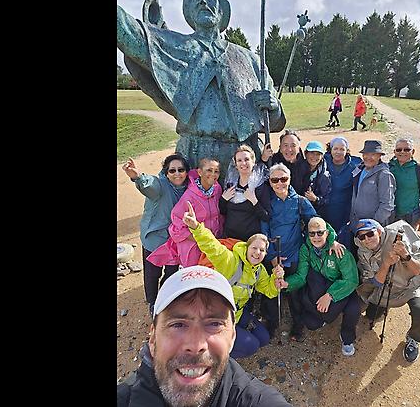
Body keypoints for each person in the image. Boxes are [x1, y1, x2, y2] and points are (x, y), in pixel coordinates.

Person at [117, 0, 287, 180]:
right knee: (194, 207)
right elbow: (127, 32)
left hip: (244, 158)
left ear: (222, 11)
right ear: (189, 12)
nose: (203, 1)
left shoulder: (251, 60)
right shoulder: (174, 46)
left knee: (245, 207)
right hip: (195, 154)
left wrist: (274, 108)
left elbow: (274, 124)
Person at [117, 265, 292, 406]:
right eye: (178, 324)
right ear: (153, 339)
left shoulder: (256, 400)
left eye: (214, 324)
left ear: (232, 337)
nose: (195, 344)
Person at [182, 200, 284, 359]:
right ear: (246, 247)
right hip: (217, 317)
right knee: (253, 345)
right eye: (254, 248)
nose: (257, 253)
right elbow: (212, 247)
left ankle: (231, 337)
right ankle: (214, 353)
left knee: (264, 338)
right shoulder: (231, 261)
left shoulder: (259, 270)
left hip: (237, 313)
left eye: (262, 250)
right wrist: (196, 227)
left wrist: (276, 282)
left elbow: (269, 291)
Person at [259, 163, 345, 341]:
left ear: (289, 179)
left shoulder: (300, 201)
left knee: (295, 293)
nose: (280, 183)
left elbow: (316, 223)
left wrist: (332, 239)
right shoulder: (267, 203)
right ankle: (272, 323)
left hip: (296, 255)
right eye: (275, 180)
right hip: (274, 255)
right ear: (270, 182)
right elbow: (264, 232)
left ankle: (297, 325)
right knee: (271, 291)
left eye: (284, 179)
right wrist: (273, 258)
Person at [276, 217, 361, 356]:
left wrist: (330, 296)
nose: (316, 237)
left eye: (320, 232)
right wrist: (287, 283)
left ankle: (347, 339)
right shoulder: (306, 249)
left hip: (342, 287)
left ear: (327, 233)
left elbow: (351, 280)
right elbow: (301, 276)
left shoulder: (340, 251)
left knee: (353, 308)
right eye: (312, 233)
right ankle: (323, 316)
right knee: (311, 323)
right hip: (322, 284)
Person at [121, 154, 190, 316]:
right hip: (155, 240)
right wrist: (138, 177)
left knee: (172, 272)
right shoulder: (161, 186)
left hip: (175, 242)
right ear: (166, 173)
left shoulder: (188, 188)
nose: (177, 173)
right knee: (152, 275)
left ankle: (165, 297)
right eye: (172, 170)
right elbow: (149, 185)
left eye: (181, 169)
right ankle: (152, 302)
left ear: (187, 172)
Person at [354, 219, 420, 363]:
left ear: (379, 232)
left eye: (370, 234)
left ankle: (413, 336)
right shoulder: (363, 251)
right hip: (386, 289)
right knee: (371, 315)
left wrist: (405, 256)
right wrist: (386, 264)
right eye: (362, 237)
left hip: (411, 285)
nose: (367, 239)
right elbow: (374, 281)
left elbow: (418, 270)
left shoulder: (400, 236)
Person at [147, 157, 224, 268]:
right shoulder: (189, 197)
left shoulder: (217, 189)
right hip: (194, 249)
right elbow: (176, 228)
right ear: (199, 172)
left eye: (216, 171)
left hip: (212, 245)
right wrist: (201, 239)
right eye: (209, 170)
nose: (213, 174)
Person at [220, 145, 270, 241]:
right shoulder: (231, 183)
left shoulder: (260, 186)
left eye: (247, 159)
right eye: (239, 160)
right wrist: (223, 199)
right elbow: (223, 211)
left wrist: (254, 201)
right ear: (235, 164)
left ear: (253, 161)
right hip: (230, 238)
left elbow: (266, 216)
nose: (243, 163)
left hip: (251, 241)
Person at [323, 137, 361, 233]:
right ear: (330, 149)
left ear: (347, 151)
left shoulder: (354, 165)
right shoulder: (323, 161)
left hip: (343, 209)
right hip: (323, 207)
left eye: (342, 149)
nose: (338, 152)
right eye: (335, 149)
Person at [388, 138, 420, 231]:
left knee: (407, 244)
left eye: (406, 149)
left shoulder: (419, 170)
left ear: (413, 151)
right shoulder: (389, 168)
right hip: (389, 216)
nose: (402, 152)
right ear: (394, 152)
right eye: (399, 149)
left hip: (410, 216)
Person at [261, 129, 309, 195]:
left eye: (293, 145)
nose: (289, 149)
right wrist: (263, 160)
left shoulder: (305, 166)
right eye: (285, 145)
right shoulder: (272, 162)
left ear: (298, 148)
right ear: (280, 148)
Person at [302, 140, 331, 217]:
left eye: (318, 154)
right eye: (312, 153)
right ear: (306, 154)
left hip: (317, 214)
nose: (314, 157)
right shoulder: (298, 170)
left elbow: (327, 199)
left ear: (322, 156)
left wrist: (315, 199)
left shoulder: (324, 176)